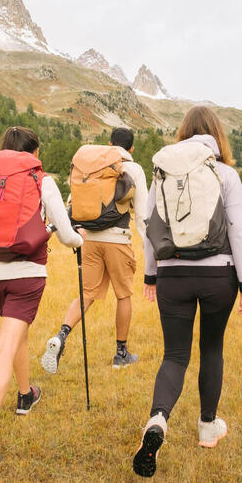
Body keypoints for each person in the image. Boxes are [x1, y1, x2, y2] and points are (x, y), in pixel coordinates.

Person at [132, 105, 242, 478]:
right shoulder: (226, 173)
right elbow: (238, 230)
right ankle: (207, 426)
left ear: (183, 133)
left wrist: (151, 275)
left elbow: (150, 228)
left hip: (173, 274)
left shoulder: (162, 174)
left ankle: (157, 419)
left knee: (174, 355)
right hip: (219, 275)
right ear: (216, 135)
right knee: (211, 348)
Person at [0, 125, 83, 468]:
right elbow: (65, 234)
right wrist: (80, 241)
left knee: (16, 334)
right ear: (34, 152)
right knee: (6, 345)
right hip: (26, 276)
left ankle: (25, 395)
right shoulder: (41, 180)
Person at [41, 126, 149, 372]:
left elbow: (73, 203)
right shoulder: (133, 168)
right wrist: (151, 249)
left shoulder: (92, 166)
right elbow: (143, 214)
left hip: (89, 239)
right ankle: (121, 354)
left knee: (86, 295)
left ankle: (61, 335)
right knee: (123, 295)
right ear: (131, 148)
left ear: (110, 144)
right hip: (118, 239)